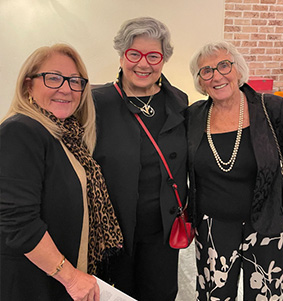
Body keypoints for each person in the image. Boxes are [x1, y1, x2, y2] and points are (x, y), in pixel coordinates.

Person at [0, 43, 123, 301]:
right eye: (53, 78)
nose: (66, 89)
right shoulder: (21, 131)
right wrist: (70, 277)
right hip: (31, 284)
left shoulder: (68, 137)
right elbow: (18, 222)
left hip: (59, 281)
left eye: (75, 81)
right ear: (28, 85)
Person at [187, 41, 283, 300]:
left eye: (224, 65)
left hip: (266, 225)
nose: (217, 76)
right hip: (212, 229)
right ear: (201, 81)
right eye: (206, 71)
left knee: (267, 296)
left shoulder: (272, 108)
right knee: (213, 296)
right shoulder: (193, 116)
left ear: (238, 69)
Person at [92, 17, 188, 300]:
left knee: (161, 293)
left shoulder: (178, 102)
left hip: (163, 233)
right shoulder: (97, 103)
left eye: (153, 56)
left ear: (163, 60)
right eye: (134, 54)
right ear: (122, 56)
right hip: (113, 235)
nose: (143, 64)